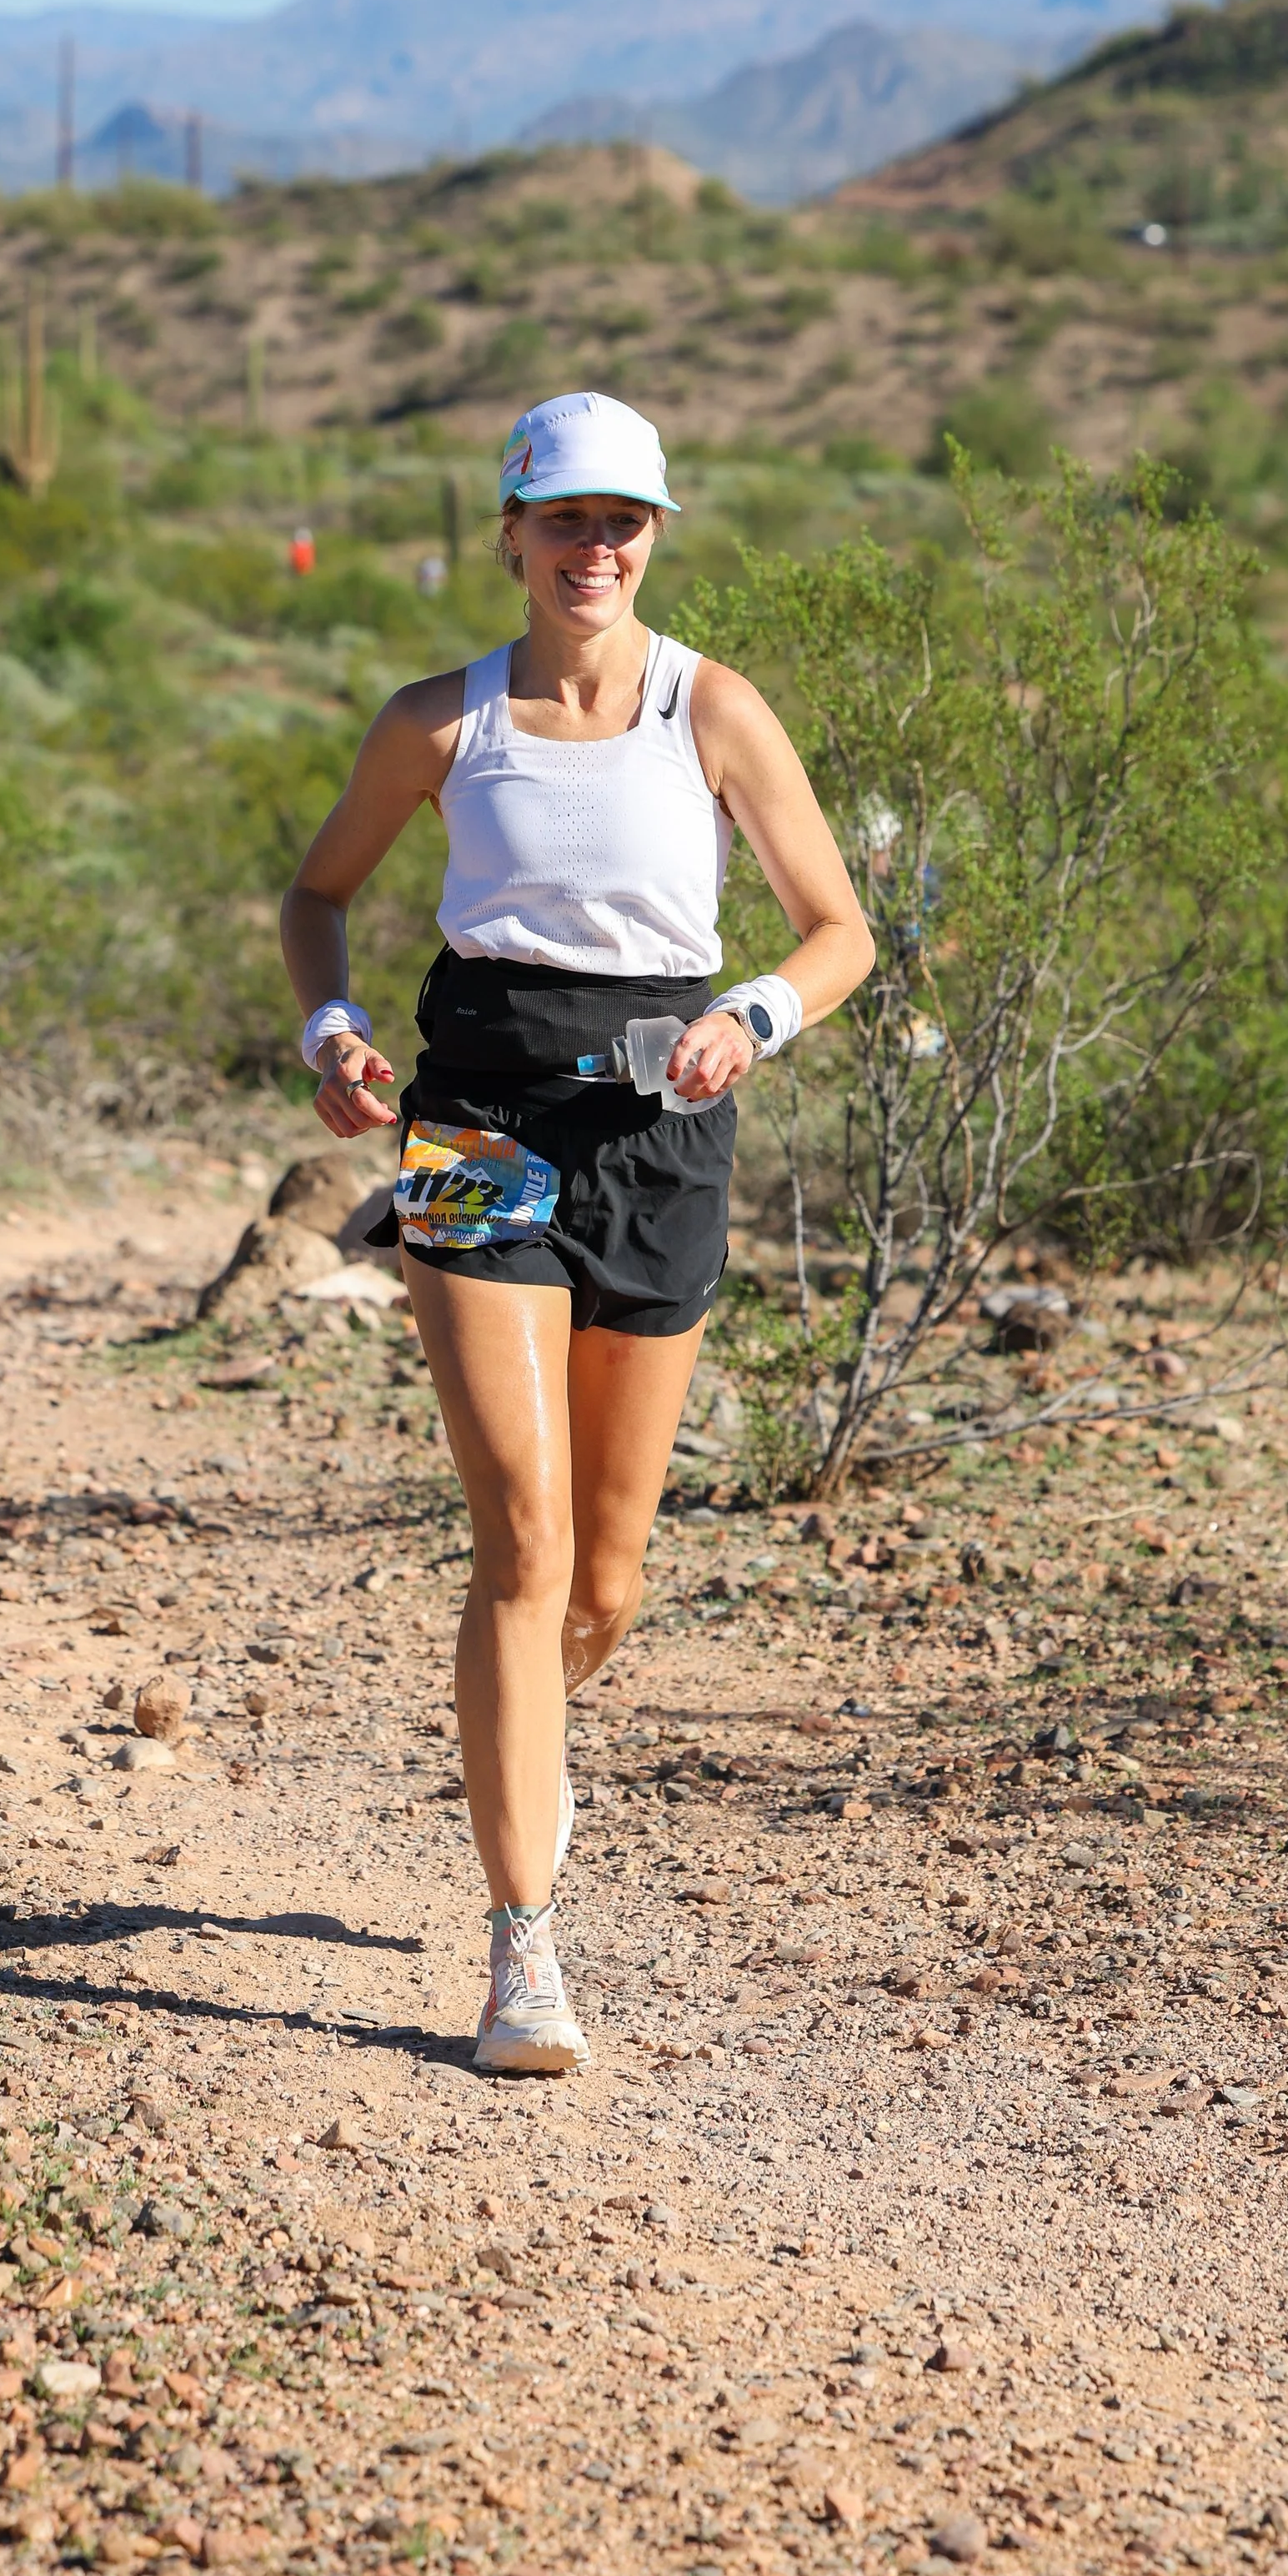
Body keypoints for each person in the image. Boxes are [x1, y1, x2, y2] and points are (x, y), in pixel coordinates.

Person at [282, 391, 872, 2073]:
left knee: (601, 1579)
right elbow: (315, 897)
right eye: (563, 521)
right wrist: (329, 1029)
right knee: (523, 1540)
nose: (592, 547)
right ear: (512, 536)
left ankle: (516, 1705)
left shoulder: (714, 712)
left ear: (654, 537)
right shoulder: (439, 722)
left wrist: (751, 1017)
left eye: (622, 522)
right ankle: (521, 1949)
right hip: (475, 1119)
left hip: (661, 1129)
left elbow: (836, 930)